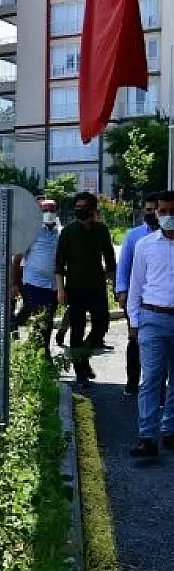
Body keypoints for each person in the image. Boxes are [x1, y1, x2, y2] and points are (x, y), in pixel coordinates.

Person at [126, 191, 174, 458]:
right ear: (156, 213)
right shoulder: (145, 245)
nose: (167, 217)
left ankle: (170, 431)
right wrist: (134, 320)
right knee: (152, 379)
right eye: (162, 212)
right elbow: (136, 285)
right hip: (152, 318)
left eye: (171, 211)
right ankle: (147, 436)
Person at [55, 192, 117, 388]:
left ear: (92, 210)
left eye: (83, 207)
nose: (79, 210)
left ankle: (83, 355)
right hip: (75, 288)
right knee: (77, 330)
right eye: (77, 206)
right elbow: (58, 264)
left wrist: (112, 279)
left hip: (97, 287)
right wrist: (60, 289)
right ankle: (80, 372)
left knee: (101, 325)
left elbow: (109, 257)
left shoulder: (101, 230)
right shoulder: (68, 232)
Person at [116, 194, 162, 396]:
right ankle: (132, 382)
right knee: (135, 341)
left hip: (159, 301)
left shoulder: (168, 236)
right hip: (136, 299)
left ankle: (159, 388)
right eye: (147, 210)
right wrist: (122, 292)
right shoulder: (134, 236)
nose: (150, 214)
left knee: (160, 347)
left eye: (154, 210)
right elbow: (124, 265)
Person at [10, 199, 62, 356]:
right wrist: (15, 284)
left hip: (52, 284)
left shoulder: (59, 232)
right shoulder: (30, 232)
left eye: (52, 210)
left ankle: (40, 348)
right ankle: (40, 351)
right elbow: (17, 260)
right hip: (34, 282)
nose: (49, 213)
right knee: (40, 316)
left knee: (48, 318)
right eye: (45, 210)